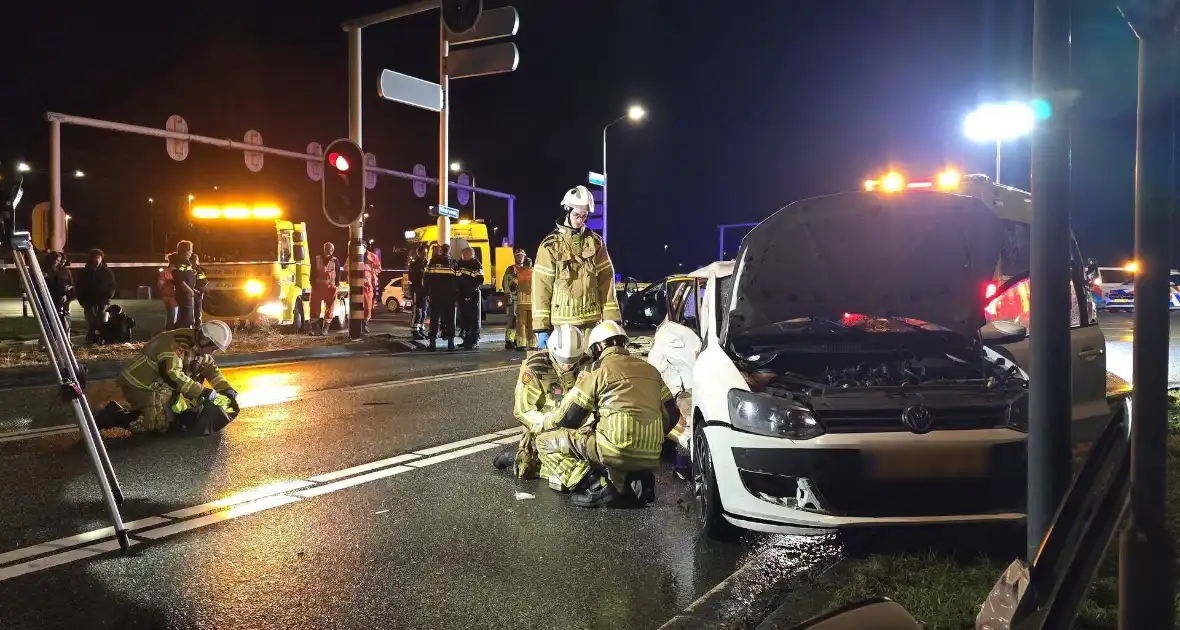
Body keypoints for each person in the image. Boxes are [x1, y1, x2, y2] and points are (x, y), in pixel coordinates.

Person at [535, 320, 679, 507]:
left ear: (598, 347)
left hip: (613, 449)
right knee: (621, 447)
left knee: (545, 442)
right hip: (651, 454)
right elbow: (672, 413)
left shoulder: (598, 371)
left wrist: (545, 426)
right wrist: (651, 437)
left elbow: (569, 418)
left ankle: (596, 486)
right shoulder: (651, 371)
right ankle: (638, 478)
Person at [493, 324, 593, 478]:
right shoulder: (535, 367)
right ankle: (525, 455)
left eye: (573, 360)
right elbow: (523, 410)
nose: (567, 365)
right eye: (562, 360)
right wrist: (549, 424)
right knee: (568, 470)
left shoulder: (588, 364)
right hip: (544, 429)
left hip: (579, 430)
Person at [107, 321, 238, 434]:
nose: (213, 352)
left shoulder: (197, 345)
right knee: (158, 424)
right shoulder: (175, 344)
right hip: (140, 385)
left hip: (159, 386)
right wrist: (203, 392)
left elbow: (210, 369)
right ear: (205, 340)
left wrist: (226, 390)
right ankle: (116, 415)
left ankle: (149, 413)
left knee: (175, 418)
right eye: (213, 348)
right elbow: (172, 375)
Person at [532, 185, 620, 350]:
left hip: (591, 325)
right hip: (562, 325)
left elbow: (607, 282)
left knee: (591, 372)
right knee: (566, 371)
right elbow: (541, 287)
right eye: (577, 215)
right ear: (566, 211)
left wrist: (612, 321)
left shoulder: (595, 242)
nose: (580, 220)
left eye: (585, 216)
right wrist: (541, 328)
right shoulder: (550, 245)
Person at [75, 248, 117, 344]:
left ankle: (101, 339)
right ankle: (91, 339)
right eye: (95, 257)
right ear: (91, 259)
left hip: (103, 301)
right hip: (89, 302)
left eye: (99, 257)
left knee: (103, 321)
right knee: (92, 322)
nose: (97, 259)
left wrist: (108, 296)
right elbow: (79, 287)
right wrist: (82, 300)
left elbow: (112, 285)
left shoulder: (107, 272)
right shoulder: (85, 272)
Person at [424, 243, 457, 352]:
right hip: (449, 296)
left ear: (441, 251)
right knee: (450, 319)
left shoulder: (433, 263)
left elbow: (427, 280)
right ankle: (450, 344)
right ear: (449, 251)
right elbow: (457, 281)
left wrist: (428, 293)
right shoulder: (453, 264)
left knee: (434, 320)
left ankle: (432, 343)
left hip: (436, 295)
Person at [454, 246, 483, 350]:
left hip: (471, 295)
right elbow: (456, 278)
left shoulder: (476, 264)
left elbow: (479, 280)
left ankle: (474, 340)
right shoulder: (460, 263)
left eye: (465, 253)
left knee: (473, 319)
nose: (463, 255)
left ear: (470, 254)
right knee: (464, 318)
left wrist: (469, 292)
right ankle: (466, 340)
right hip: (461, 294)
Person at [501, 248, 528, 350]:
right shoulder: (511, 269)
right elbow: (505, 283)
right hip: (514, 298)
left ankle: (518, 340)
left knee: (521, 321)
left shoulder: (526, 269)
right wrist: (508, 295)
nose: (520, 258)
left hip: (524, 298)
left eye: (522, 256)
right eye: (518, 256)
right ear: (515, 257)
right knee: (513, 320)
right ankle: (509, 340)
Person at [311, 242, 339, 335]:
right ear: (324, 249)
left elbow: (338, 273)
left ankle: (325, 329)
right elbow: (313, 272)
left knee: (330, 308)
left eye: (330, 249)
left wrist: (336, 285)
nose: (329, 251)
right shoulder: (317, 259)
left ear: (332, 250)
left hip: (330, 288)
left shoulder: (335, 261)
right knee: (314, 308)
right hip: (318, 287)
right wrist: (313, 284)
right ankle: (315, 329)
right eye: (327, 248)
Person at [43, 251, 74, 335]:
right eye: (58, 260)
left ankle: (64, 338)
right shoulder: (49, 271)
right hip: (51, 298)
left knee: (63, 319)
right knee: (50, 321)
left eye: (61, 261)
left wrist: (66, 293)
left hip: (60, 299)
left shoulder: (61, 271)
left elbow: (69, 285)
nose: (59, 263)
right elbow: (54, 285)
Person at [169, 241, 198, 329]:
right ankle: (181, 336)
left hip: (187, 292)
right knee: (186, 318)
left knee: (187, 316)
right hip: (184, 293)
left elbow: (183, 274)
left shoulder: (184, 261)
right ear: (186, 250)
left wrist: (191, 272)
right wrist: (188, 289)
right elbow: (177, 276)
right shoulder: (181, 261)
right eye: (191, 250)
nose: (191, 252)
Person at [408, 245, 429, 340]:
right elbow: (412, 278)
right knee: (417, 311)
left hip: (425, 291)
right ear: (418, 253)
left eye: (426, 253)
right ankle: (414, 331)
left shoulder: (427, 264)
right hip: (417, 290)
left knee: (424, 311)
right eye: (423, 253)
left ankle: (420, 329)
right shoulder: (414, 264)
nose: (425, 254)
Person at [157, 253, 178, 330]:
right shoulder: (170, 271)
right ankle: (170, 333)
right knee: (172, 319)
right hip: (171, 298)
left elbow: (160, 283)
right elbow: (160, 283)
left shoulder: (166, 271)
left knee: (171, 318)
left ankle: (169, 331)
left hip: (170, 297)